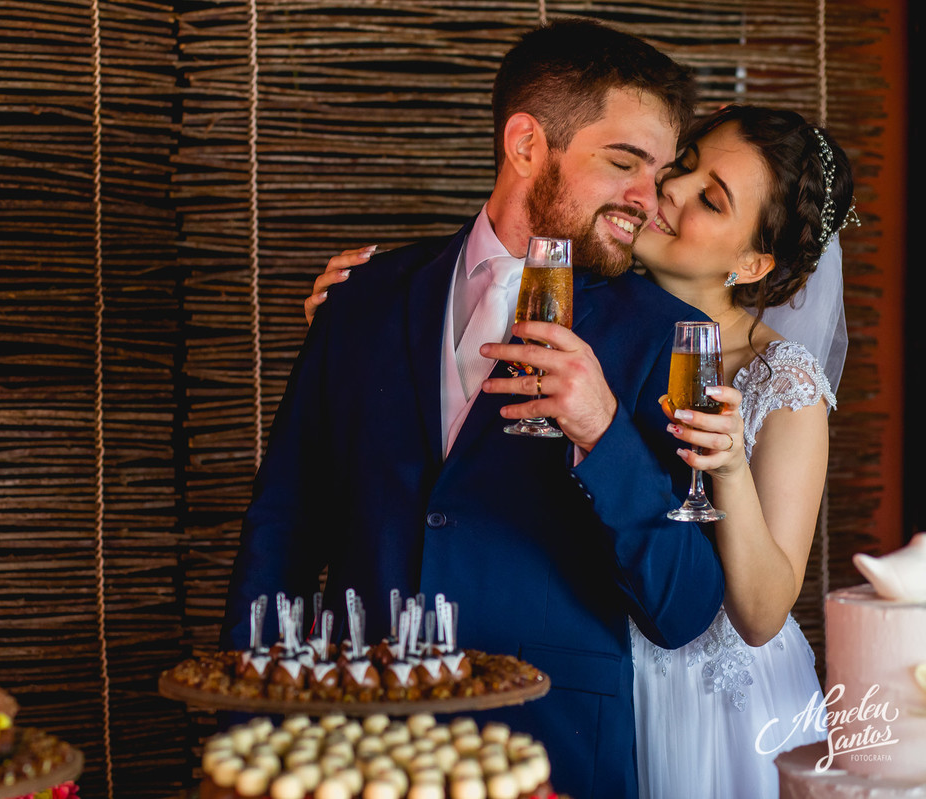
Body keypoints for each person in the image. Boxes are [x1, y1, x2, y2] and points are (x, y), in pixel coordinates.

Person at [221, 20, 726, 799]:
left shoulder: (661, 336)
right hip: (356, 743)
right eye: (623, 163)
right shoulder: (364, 298)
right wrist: (248, 735)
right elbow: (283, 526)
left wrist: (601, 432)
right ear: (526, 145)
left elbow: (684, 607)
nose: (646, 200)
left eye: (657, 175)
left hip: (552, 744)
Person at [307, 105, 856, 799]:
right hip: (578, 663)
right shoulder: (571, 299)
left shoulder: (783, 381)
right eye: (682, 166)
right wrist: (368, 318)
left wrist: (730, 469)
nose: (670, 192)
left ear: (752, 262)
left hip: (704, 699)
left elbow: (761, 612)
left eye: (711, 199)